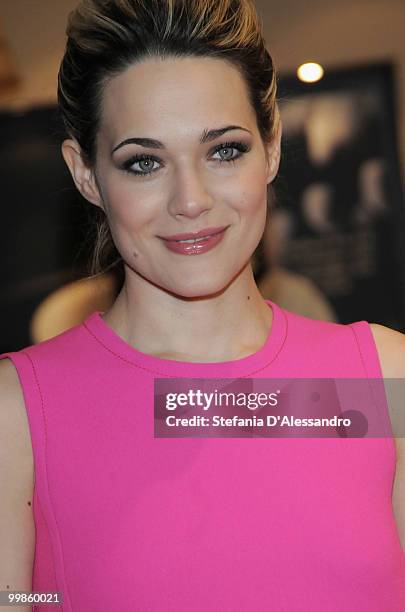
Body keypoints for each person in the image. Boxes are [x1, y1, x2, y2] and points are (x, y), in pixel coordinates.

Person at [1, 1, 405, 610]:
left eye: (224, 151)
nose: (190, 200)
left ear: (271, 147)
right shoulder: (18, 416)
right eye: (144, 162)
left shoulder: (382, 376)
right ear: (85, 174)